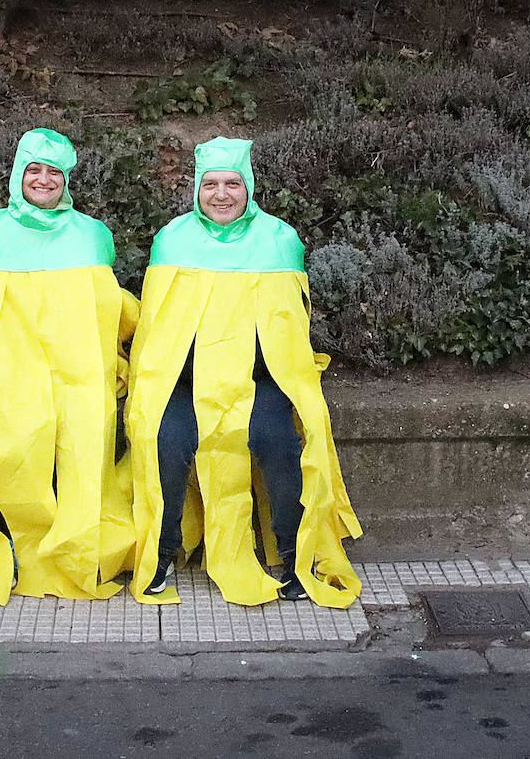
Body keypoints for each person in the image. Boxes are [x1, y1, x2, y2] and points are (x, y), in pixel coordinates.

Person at [127, 137, 361, 608]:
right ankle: (162, 552)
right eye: (210, 184)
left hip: (261, 383)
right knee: (165, 441)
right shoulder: (172, 239)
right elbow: (159, 328)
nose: (221, 194)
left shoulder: (279, 240)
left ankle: (296, 556)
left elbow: (290, 326)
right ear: (196, 189)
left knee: (278, 441)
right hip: (186, 384)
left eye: (232, 183)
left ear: (248, 186)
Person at [0, 129, 139, 606]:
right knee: (20, 450)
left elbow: (108, 307)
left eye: (53, 172)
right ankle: (32, 555)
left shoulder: (92, 235)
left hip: (80, 373)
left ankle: (83, 556)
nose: (43, 180)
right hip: (13, 375)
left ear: (67, 180)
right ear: (18, 174)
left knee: (86, 456)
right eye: (34, 170)